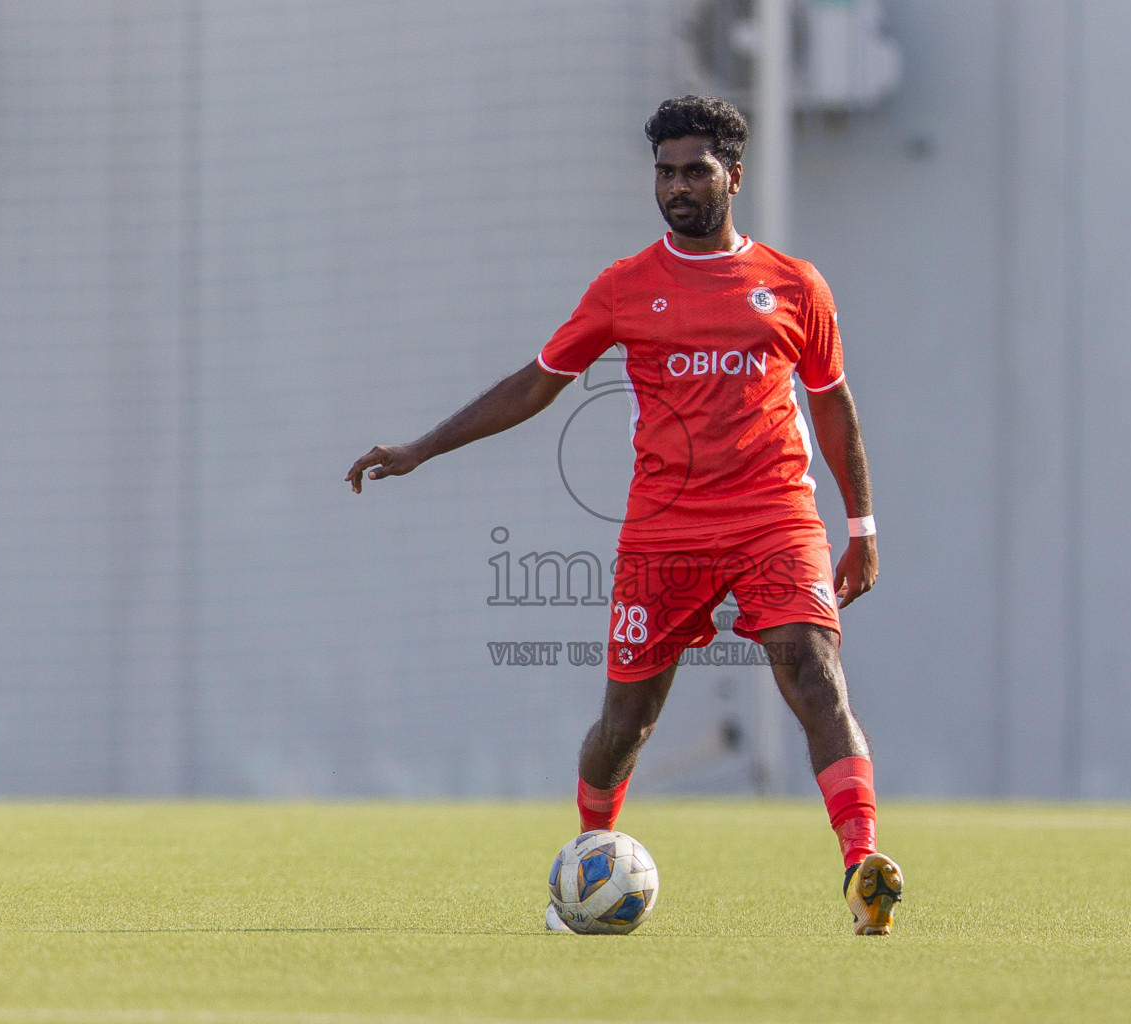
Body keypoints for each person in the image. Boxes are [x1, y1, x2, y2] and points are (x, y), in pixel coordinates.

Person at [347, 95, 902, 936]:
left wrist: (860, 528)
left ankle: (863, 866)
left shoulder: (793, 285)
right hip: (664, 532)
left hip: (774, 518)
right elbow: (536, 383)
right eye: (665, 172)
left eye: (695, 171)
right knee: (626, 724)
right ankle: (590, 861)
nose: (677, 186)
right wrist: (422, 447)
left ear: (734, 177)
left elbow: (831, 405)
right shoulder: (624, 286)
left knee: (814, 672)